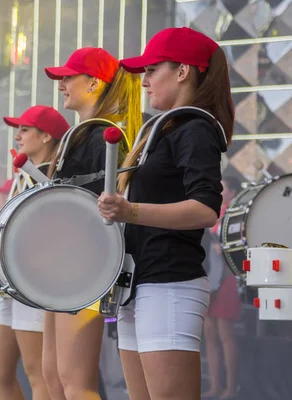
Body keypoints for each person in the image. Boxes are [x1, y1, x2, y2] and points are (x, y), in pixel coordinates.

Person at [98, 27, 234, 400]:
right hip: (137, 284)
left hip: (169, 284)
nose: (144, 81)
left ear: (182, 71)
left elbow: (206, 209)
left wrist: (130, 210)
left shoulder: (195, 129)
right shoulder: (160, 128)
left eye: (152, 70)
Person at [42, 47, 142, 400]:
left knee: (75, 381)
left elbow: (101, 210)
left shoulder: (107, 137)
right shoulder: (81, 135)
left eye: (68, 77)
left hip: (85, 267)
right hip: (67, 267)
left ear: (95, 82)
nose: (62, 85)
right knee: (53, 377)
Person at [0, 106, 70, 400]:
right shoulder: (23, 175)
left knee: (39, 373)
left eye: (24, 129)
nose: (17, 136)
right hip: (14, 282)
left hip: (37, 282)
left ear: (46, 135)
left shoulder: (54, 176)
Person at [202, 176, 242, 400]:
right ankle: (215, 386)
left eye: (223, 187)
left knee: (225, 334)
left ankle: (230, 388)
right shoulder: (212, 212)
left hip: (226, 278)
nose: (218, 190)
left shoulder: (234, 216)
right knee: (210, 333)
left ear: (233, 192)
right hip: (210, 276)